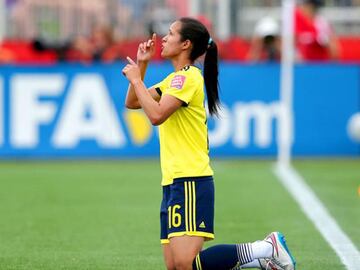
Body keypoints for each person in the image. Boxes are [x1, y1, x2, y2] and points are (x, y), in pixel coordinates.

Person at [122, 17, 296, 270]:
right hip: (172, 180)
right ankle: (260, 261)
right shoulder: (174, 80)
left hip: (190, 178)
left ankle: (266, 248)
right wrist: (143, 65)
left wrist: (137, 80)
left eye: (171, 34)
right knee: (176, 266)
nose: (165, 38)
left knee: (185, 263)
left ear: (186, 44)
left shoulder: (187, 78)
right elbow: (133, 103)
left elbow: (157, 115)